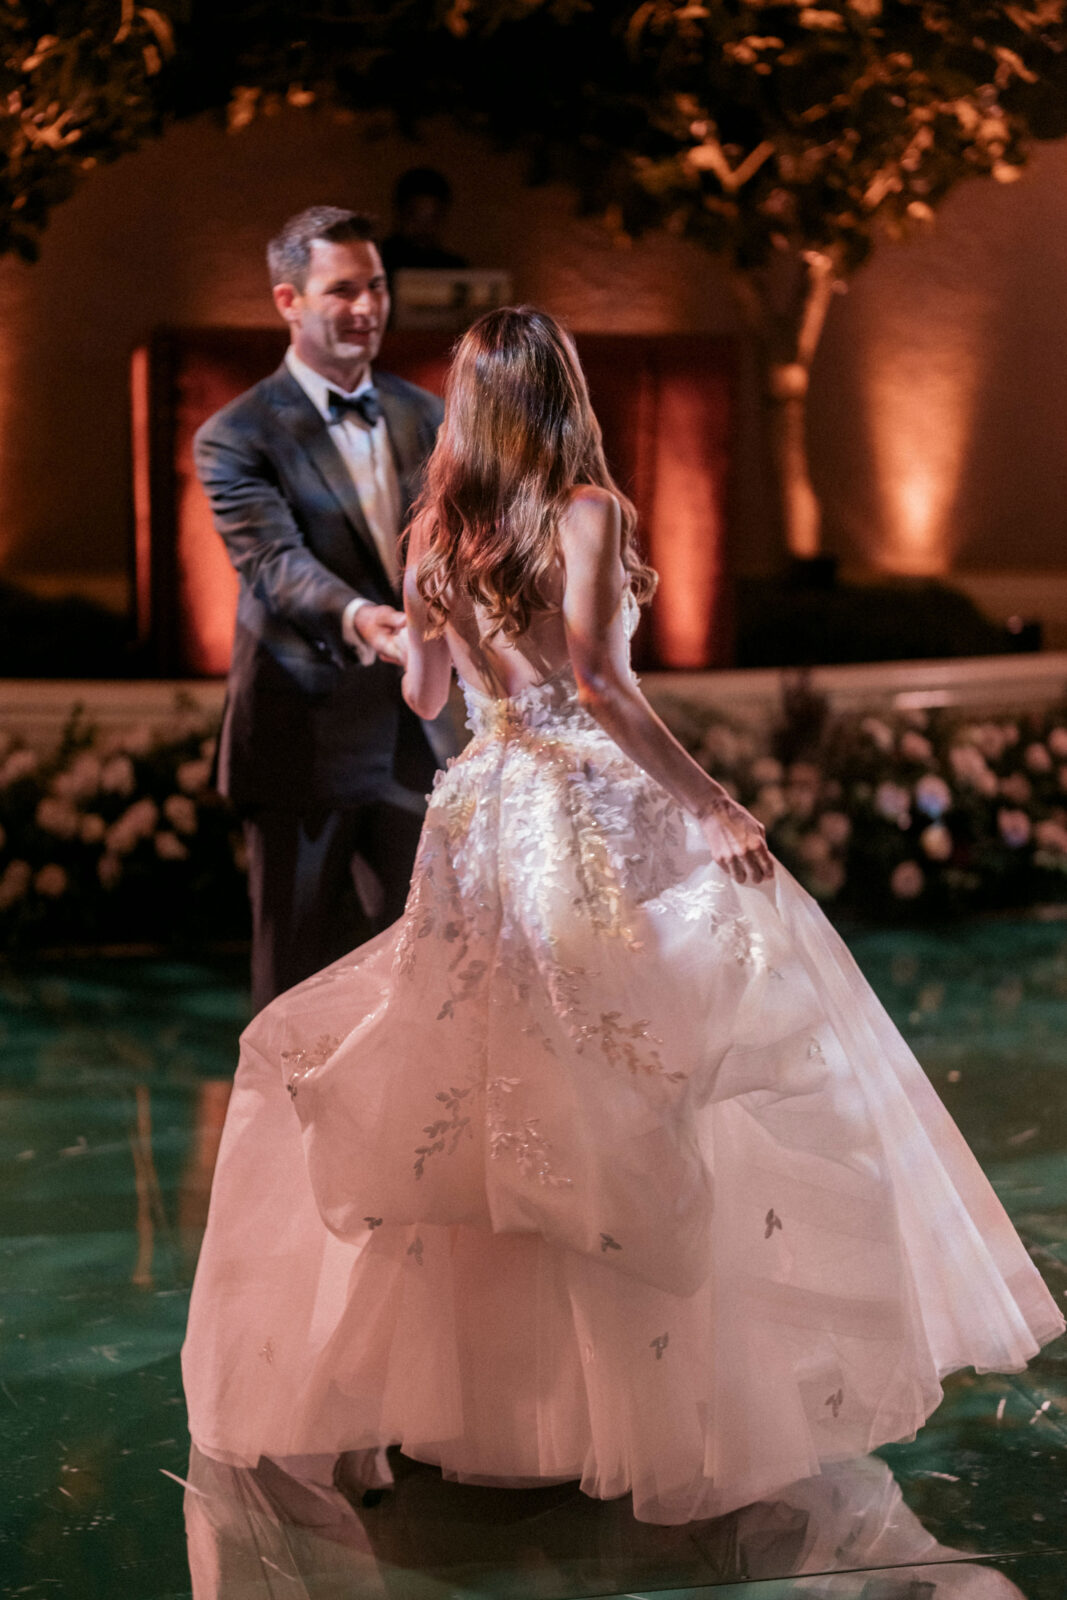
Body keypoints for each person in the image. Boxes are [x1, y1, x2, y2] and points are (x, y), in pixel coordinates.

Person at [183, 308, 1063, 1526]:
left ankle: (490, 1406)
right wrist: (708, 802)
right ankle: (640, 1409)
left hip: (480, 816)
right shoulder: (585, 509)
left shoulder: (433, 529)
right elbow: (600, 681)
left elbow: (432, 692)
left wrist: (474, 698)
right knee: (629, 1087)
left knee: (488, 1103)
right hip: (586, 819)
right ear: (562, 394)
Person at [194, 205, 449, 1012]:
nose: (367, 307)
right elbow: (274, 563)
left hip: (416, 735)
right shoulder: (234, 435)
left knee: (419, 975)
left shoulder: (428, 414)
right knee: (295, 988)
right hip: (301, 740)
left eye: (375, 286)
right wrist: (364, 620)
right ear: (288, 300)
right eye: (342, 291)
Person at [379, 167, 469, 277]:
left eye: (433, 218)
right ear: (399, 213)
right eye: (415, 218)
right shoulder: (375, 264)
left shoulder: (453, 269)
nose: (424, 228)